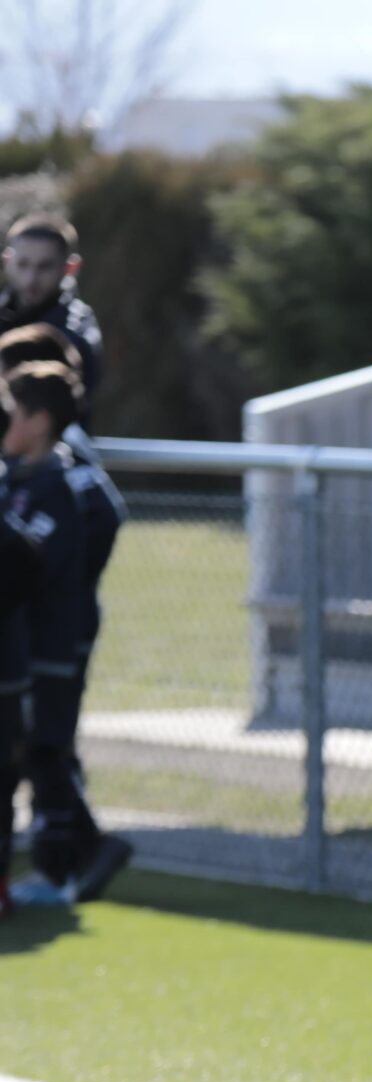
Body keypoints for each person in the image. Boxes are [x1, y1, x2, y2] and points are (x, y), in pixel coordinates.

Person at [0, 361, 114, 913]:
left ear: (40, 421)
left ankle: (62, 865)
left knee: (45, 752)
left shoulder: (57, 487)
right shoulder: (19, 478)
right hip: (27, 648)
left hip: (48, 650)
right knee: (34, 752)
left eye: (13, 414)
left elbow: (36, 569)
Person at [0, 324, 127, 808]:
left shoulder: (64, 475)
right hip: (25, 638)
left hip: (50, 638)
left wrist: (57, 589)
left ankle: (72, 854)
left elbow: (94, 527)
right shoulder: (21, 473)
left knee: (44, 749)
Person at [0, 215, 103, 412]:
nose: (31, 279)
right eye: (23, 264)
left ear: (70, 268)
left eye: (45, 266)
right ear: (7, 261)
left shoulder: (75, 333)